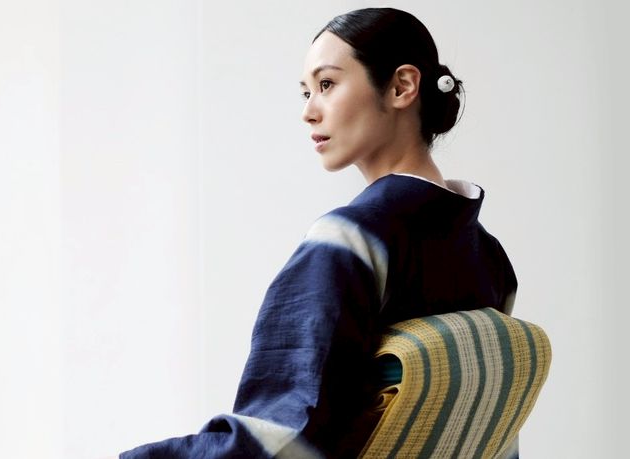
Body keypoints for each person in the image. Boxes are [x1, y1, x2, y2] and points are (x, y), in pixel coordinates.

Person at [119, 7, 517, 459]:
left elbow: (286, 433)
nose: (308, 112)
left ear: (402, 87)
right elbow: (495, 430)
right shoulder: (489, 256)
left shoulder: (350, 241)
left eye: (326, 84)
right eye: (306, 92)